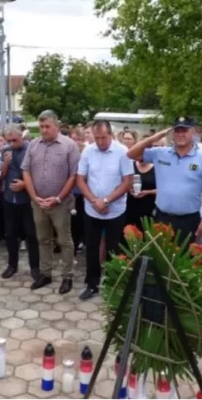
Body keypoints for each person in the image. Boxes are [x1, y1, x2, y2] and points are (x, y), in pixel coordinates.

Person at [126, 116, 202, 244]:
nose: (181, 134)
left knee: (184, 261)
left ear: (193, 133)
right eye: (177, 131)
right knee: (161, 261)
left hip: (188, 220)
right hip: (162, 218)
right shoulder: (160, 153)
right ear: (172, 133)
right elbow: (131, 154)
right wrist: (155, 137)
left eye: (184, 131)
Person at [22, 110, 81, 294]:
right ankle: (45, 274)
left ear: (56, 125)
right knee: (43, 239)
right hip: (38, 203)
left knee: (64, 240)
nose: (44, 130)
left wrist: (58, 198)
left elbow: (74, 175)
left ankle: (67, 276)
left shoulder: (69, 146)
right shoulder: (33, 144)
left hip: (60, 204)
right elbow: (26, 171)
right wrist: (34, 196)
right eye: (41, 126)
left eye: (47, 126)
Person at [76, 120, 133, 301]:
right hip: (92, 209)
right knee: (92, 248)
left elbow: (127, 182)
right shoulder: (88, 151)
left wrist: (107, 200)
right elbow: (80, 179)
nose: (100, 142)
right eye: (97, 137)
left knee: (113, 248)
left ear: (111, 135)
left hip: (115, 209)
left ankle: (112, 283)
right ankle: (92, 284)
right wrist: (94, 201)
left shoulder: (122, 152)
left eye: (103, 137)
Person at [0, 125, 40, 280]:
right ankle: (12, 265)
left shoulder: (31, 150)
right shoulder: (5, 151)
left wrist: (24, 185)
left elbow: (37, 174)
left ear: (21, 136)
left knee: (31, 235)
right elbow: (1, 176)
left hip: (27, 200)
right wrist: (6, 164)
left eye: (14, 140)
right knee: (10, 234)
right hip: (9, 200)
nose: (11, 144)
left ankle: (35, 267)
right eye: (8, 141)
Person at [125, 134, 156, 230]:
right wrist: (128, 189)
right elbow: (123, 183)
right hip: (130, 208)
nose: (140, 156)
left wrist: (148, 192)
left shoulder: (156, 168)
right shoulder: (131, 165)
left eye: (143, 154)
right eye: (139, 153)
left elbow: (164, 189)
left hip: (148, 210)